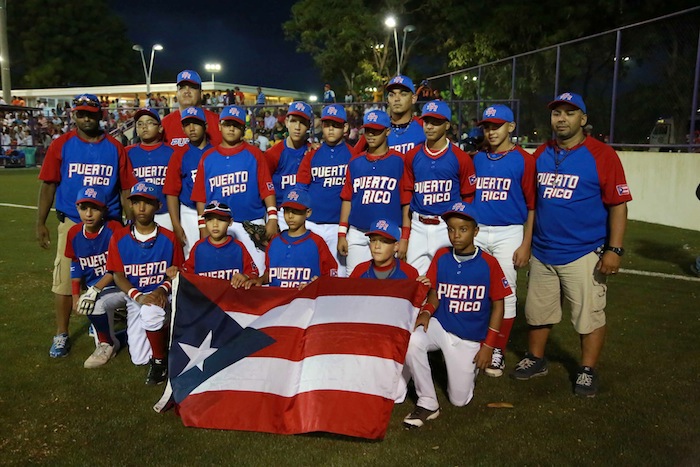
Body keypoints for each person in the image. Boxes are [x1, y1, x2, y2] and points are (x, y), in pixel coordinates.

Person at [511, 92, 632, 398]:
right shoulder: (542, 153)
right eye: (557, 113)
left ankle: (587, 369)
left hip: (584, 251)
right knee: (538, 312)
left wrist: (614, 249)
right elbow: (532, 202)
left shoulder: (602, 155)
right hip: (543, 250)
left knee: (589, 316)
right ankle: (536, 358)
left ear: (583, 119)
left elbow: (618, 204)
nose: (562, 118)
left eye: (569, 112)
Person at [37, 94, 136, 358]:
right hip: (73, 220)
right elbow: (48, 184)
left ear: (100, 115)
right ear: (74, 115)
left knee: (113, 274)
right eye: (81, 114)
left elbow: (126, 188)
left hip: (110, 222)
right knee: (65, 279)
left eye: (91, 113)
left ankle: (103, 321)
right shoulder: (61, 144)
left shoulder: (114, 147)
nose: (86, 118)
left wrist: (130, 224)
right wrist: (40, 222)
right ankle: (61, 333)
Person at [401, 202, 511, 428]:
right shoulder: (442, 256)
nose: (456, 235)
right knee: (412, 339)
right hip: (442, 326)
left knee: (459, 400)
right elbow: (434, 292)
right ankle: (427, 401)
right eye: (451, 229)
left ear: (475, 231)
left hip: (469, 337)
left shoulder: (489, 263)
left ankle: (467, 370)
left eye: (463, 229)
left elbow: (499, 305)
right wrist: (426, 312)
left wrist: (489, 346)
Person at [471, 104, 536, 377]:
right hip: (478, 231)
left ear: (511, 127)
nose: (491, 131)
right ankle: (474, 342)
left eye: (496, 126)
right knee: (475, 291)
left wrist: (526, 244)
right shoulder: (477, 158)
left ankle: (497, 349)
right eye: (487, 126)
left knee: (506, 293)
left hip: (509, 232)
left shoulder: (524, 160)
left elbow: (532, 206)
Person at [107, 182, 184, 385]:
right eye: (136, 202)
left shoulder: (169, 238)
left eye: (148, 203)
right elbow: (118, 275)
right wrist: (138, 296)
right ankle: (161, 334)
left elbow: (176, 271)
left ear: (158, 206)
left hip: (162, 296)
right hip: (136, 296)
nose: (141, 208)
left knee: (152, 313)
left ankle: (160, 361)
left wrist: (161, 290)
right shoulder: (119, 237)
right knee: (139, 358)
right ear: (130, 205)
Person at [191, 105, 277, 274]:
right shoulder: (207, 157)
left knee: (257, 272)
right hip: (218, 224)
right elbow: (201, 197)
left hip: (251, 222)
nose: (231, 128)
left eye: (236, 125)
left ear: (244, 129)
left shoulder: (255, 154)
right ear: (219, 126)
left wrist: (272, 218)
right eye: (227, 124)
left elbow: (267, 189)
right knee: (222, 273)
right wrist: (202, 226)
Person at [403, 100, 476, 275]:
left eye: (435, 122)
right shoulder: (412, 155)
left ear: (447, 125)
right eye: (427, 122)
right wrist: (405, 235)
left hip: (447, 226)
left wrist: (461, 227)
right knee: (414, 280)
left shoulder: (461, 158)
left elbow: (468, 196)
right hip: (418, 226)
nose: (429, 127)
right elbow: (407, 195)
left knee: (450, 278)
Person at [338, 110, 410, 276]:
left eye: (376, 130)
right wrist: (342, 233)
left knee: (388, 283)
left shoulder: (400, 161)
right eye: (368, 130)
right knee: (354, 282)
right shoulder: (355, 162)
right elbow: (347, 199)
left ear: (387, 131)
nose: (370, 134)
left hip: (388, 235)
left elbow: (406, 202)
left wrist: (405, 237)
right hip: (358, 232)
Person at [65, 187, 126, 368]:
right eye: (84, 208)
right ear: (77, 209)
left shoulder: (113, 229)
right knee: (92, 304)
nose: (89, 214)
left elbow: (118, 267)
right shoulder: (74, 233)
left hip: (122, 286)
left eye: (95, 208)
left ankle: (111, 340)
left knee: (142, 346)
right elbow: (76, 264)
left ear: (104, 210)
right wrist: (75, 296)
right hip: (97, 291)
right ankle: (108, 342)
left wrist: (94, 289)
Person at [296, 104, 353, 277]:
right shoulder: (312, 154)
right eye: (327, 125)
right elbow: (301, 187)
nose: (331, 129)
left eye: (336, 125)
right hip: (313, 223)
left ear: (345, 127)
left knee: (339, 275)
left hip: (338, 226)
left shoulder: (353, 155)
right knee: (310, 272)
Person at [245, 189, 338, 288]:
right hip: (279, 297)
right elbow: (271, 273)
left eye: (296, 212)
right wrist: (260, 280)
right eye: (287, 211)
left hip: (306, 297)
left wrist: (318, 284)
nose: (290, 216)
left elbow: (331, 276)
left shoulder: (317, 242)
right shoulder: (274, 242)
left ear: (308, 213)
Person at [163, 107, 214, 258]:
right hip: (189, 212)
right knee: (192, 257)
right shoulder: (179, 154)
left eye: (196, 123)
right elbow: (171, 193)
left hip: (215, 212)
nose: (191, 128)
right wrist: (176, 224)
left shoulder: (216, 152)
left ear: (205, 126)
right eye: (187, 124)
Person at [182, 201, 259, 288]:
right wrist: (175, 271)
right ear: (205, 222)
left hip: (231, 295)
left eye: (221, 219)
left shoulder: (238, 247)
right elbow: (185, 273)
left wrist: (245, 277)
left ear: (230, 222)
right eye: (210, 220)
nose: (215, 224)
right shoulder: (199, 247)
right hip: (205, 296)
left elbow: (253, 272)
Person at [265, 101, 313, 230]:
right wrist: (272, 215)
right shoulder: (273, 154)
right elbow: (264, 187)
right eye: (293, 121)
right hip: (281, 212)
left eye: (302, 122)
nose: (297, 127)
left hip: (307, 213)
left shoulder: (314, 152)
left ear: (309, 125)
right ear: (286, 122)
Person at [127, 108, 175, 229]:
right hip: (138, 214)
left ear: (160, 128)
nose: (144, 127)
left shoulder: (172, 152)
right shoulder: (127, 153)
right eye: (140, 124)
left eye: (149, 123)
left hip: (165, 213)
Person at [354, 75, 425, 155]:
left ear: (413, 98)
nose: (396, 99)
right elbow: (354, 157)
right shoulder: (376, 127)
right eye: (392, 95)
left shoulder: (424, 126)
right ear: (387, 100)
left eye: (403, 94)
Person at [160, 70, 222, 148]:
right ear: (177, 94)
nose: (187, 91)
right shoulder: (165, 124)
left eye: (192, 87)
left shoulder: (218, 122)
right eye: (182, 87)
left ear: (201, 94)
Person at [350, 218, 420, 280]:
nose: (377, 246)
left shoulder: (409, 273)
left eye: (384, 241)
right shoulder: (360, 271)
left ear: (396, 246)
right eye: (373, 240)